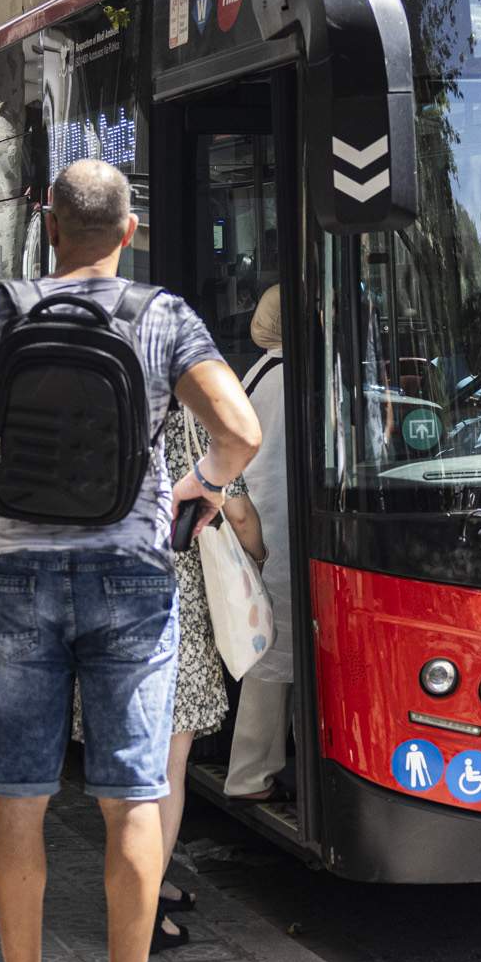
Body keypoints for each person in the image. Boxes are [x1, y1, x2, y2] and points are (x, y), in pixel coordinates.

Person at [0, 160, 261, 962]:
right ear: (129, 227)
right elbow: (240, 430)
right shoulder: (163, 315)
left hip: (19, 579)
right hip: (131, 578)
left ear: (48, 223)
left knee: (18, 798)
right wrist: (199, 489)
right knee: (132, 797)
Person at [83, 404, 263, 954]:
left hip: (97, 594)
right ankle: (142, 912)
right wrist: (257, 560)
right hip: (170, 603)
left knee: (126, 764)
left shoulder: (93, 406)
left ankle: (147, 881)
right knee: (166, 767)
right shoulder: (189, 410)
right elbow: (240, 513)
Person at [225, 286, 296, 802]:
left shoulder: (257, 371)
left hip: (264, 526)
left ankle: (273, 767)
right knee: (277, 656)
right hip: (277, 533)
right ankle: (250, 774)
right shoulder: (289, 377)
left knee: (274, 652)